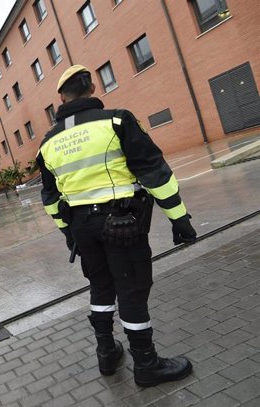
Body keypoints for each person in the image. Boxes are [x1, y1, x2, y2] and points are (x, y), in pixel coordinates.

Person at [36, 65, 198, 387]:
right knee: (132, 289)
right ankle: (147, 365)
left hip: (82, 227)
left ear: (61, 97)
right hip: (121, 223)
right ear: (92, 86)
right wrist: (178, 218)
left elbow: (50, 197)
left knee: (100, 286)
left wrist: (68, 232)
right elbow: (154, 171)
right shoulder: (116, 120)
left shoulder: (48, 142)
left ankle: (107, 353)